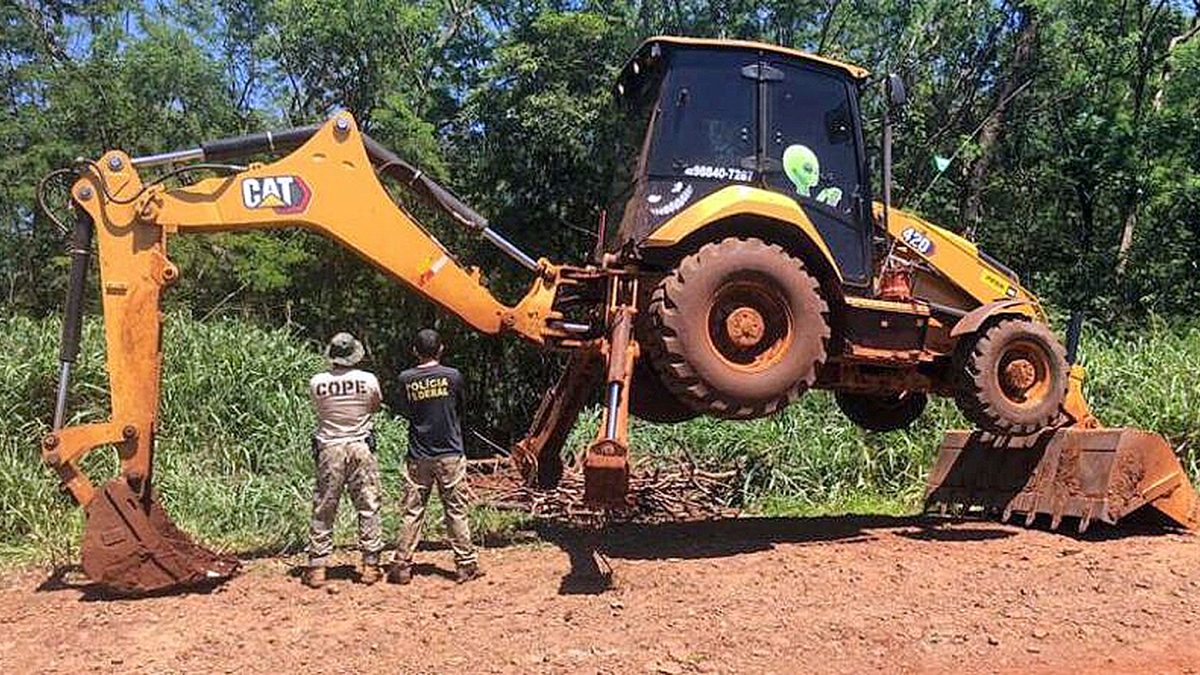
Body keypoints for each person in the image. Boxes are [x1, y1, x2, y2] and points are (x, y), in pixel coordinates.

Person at [387, 328, 484, 584]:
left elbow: (404, 410)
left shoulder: (405, 378)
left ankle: (401, 566)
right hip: (450, 453)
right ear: (441, 349)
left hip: (418, 454)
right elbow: (462, 407)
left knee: (412, 511)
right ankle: (465, 565)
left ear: (415, 351)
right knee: (456, 510)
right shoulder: (453, 376)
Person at [302, 332, 385, 588]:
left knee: (324, 506)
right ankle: (371, 565)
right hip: (360, 446)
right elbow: (375, 406)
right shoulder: (367, 379)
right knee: (368, 504)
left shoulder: (318, 382)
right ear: (354, 355)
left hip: (330, 448)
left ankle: (318, 567)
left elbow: (319, 409)